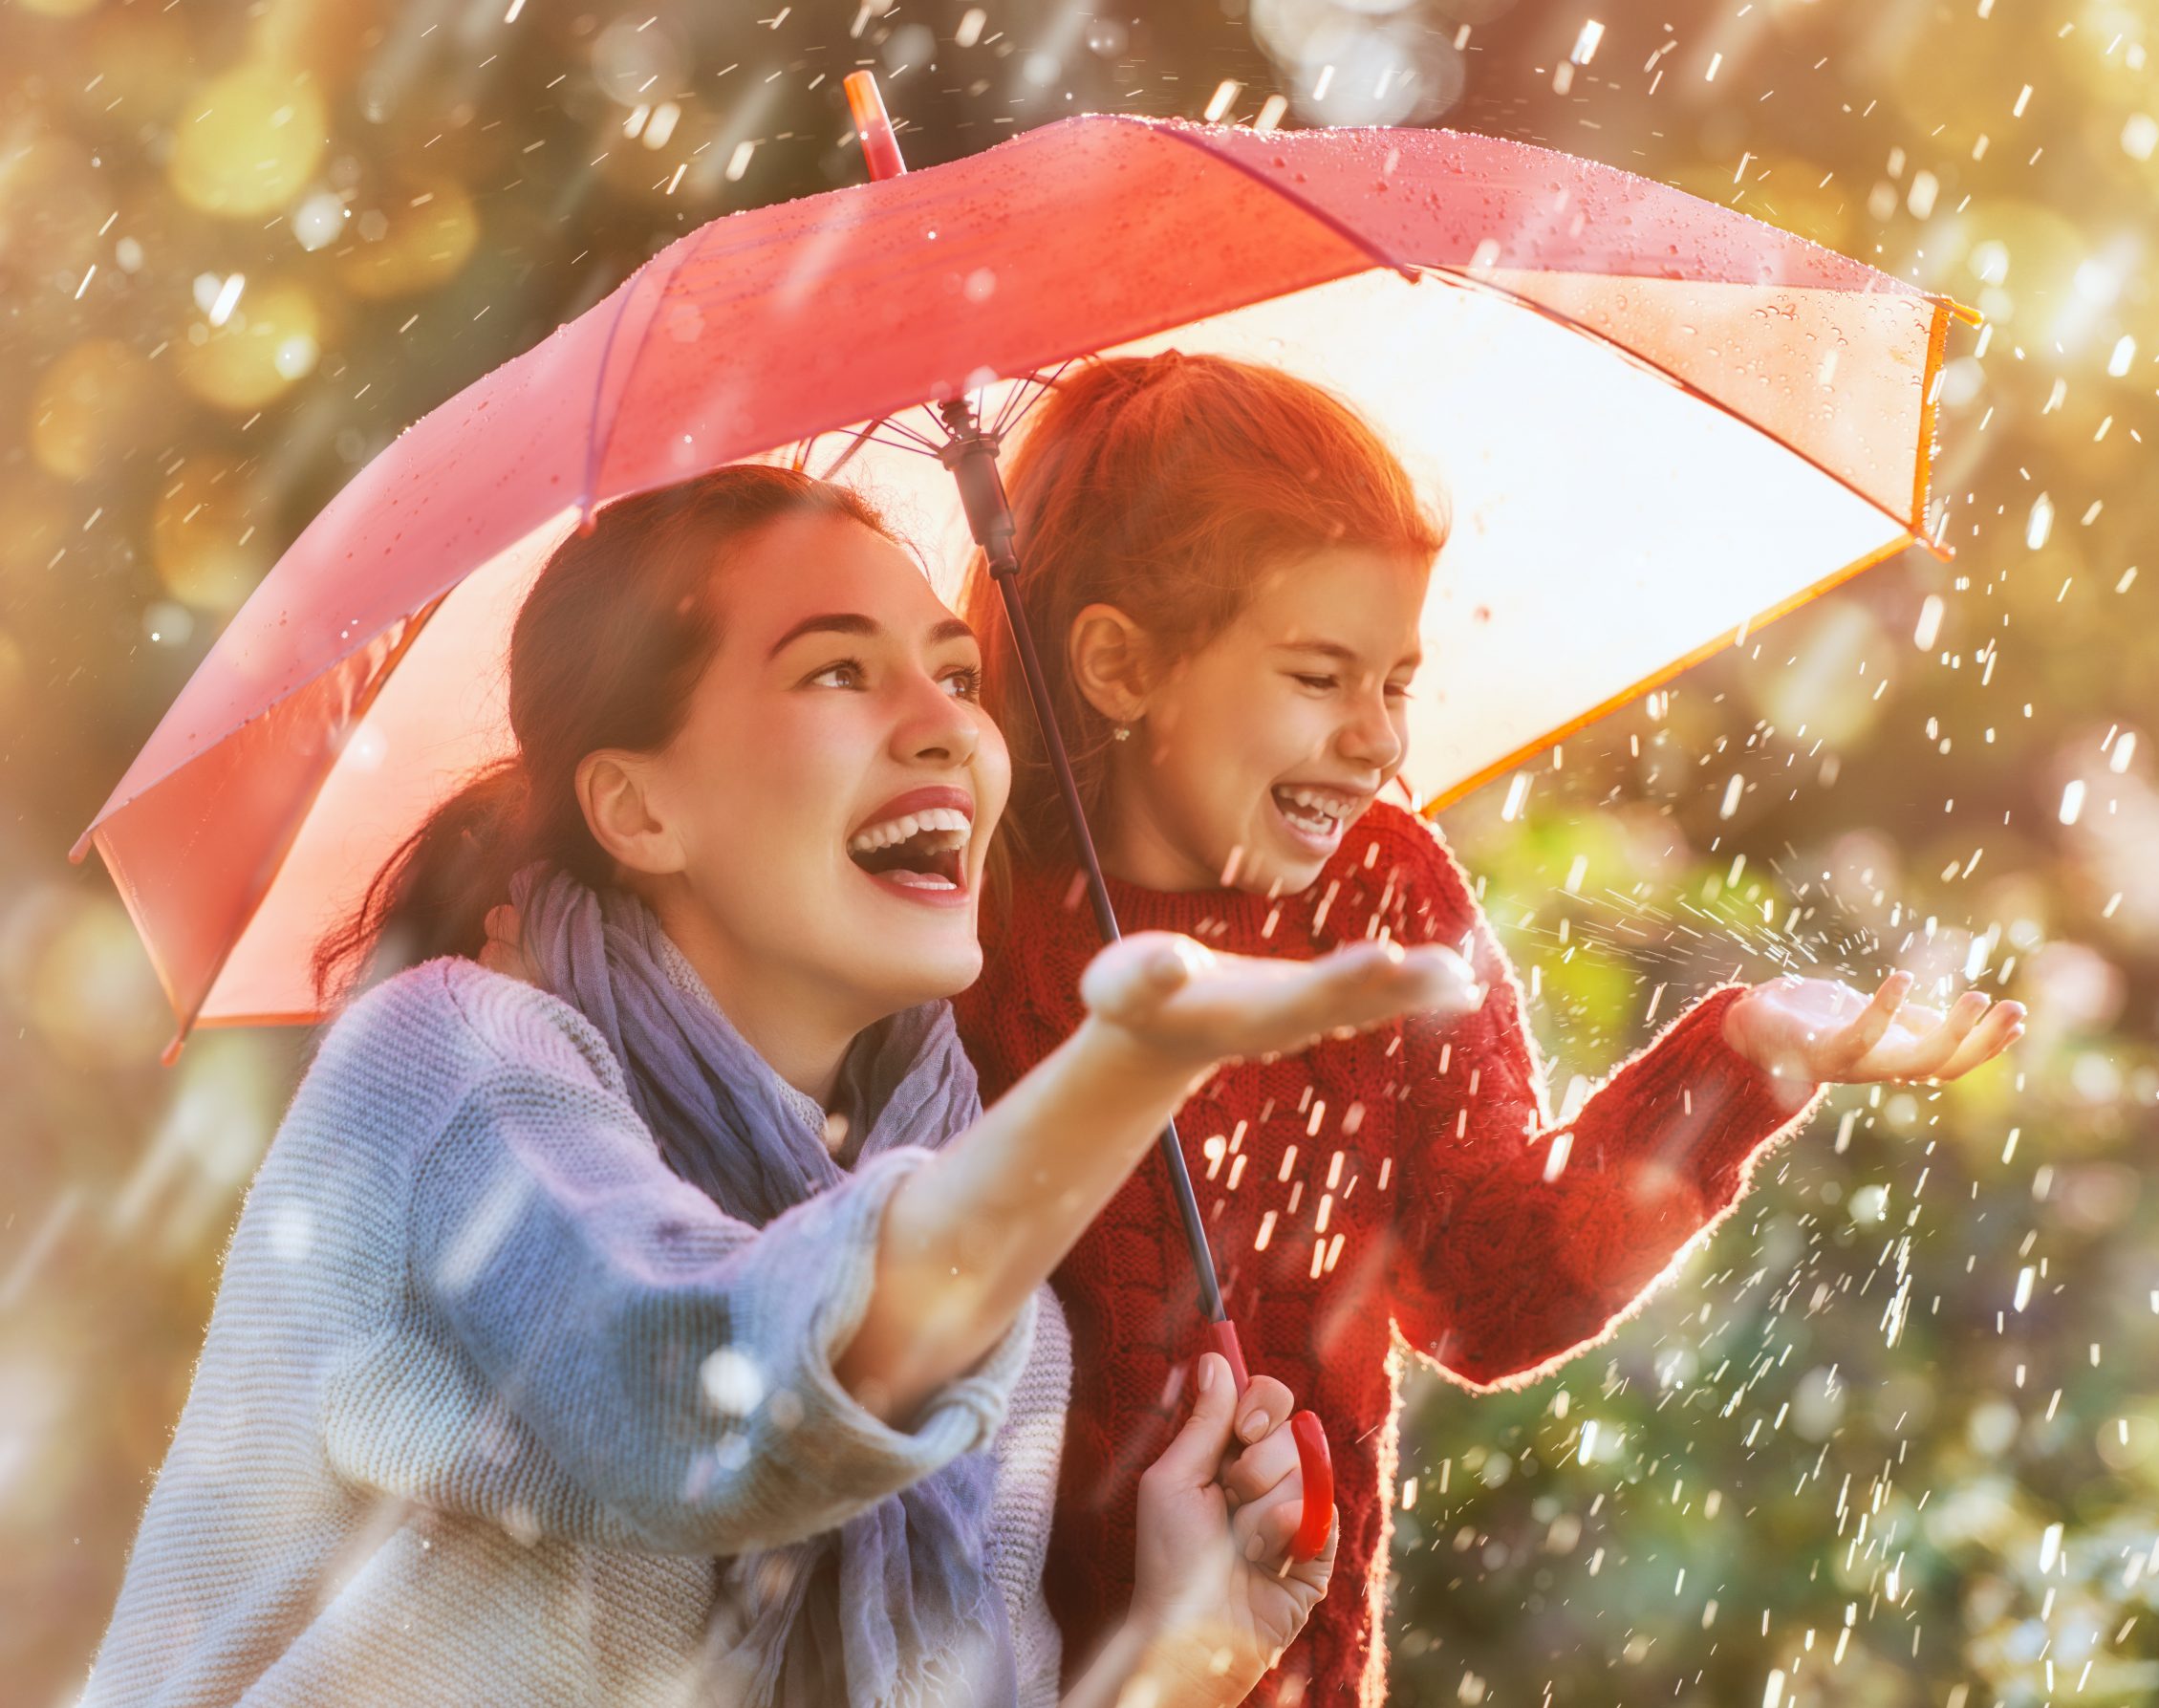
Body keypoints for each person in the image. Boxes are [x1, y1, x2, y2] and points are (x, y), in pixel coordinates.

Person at [82, 465, 1480, 1708]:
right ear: (638, 808)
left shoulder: (992, 1317)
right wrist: (1141, 1062)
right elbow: (715, 1411)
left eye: (958, 675)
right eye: (836, 671)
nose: (945, 729)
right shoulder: (452, 1067)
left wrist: (1185, 1656)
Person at [952, 353, 2028, 1704]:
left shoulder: (1385, 900)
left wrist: (1745, 1053)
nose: (1377, 742)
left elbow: (1490, 1289)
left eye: (1395, 682)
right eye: (1319, 677)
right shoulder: (970, 932)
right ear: (1118, 665)